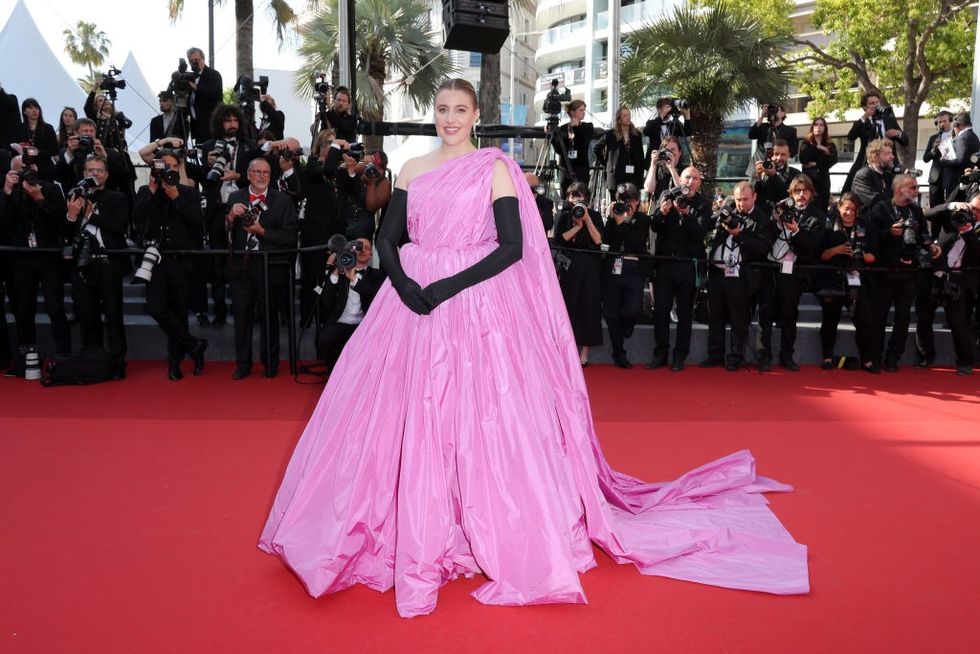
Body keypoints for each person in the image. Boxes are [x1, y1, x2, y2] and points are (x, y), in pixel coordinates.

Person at [258, 78, 808, 618]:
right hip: (410, 302)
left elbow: (512, 247)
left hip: (472, 301)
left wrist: (445, 288)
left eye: (460, 109)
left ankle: (480, 523)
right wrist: (402, 283)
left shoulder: (495, 168)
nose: (450, 117)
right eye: (443, 108)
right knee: (404, 413)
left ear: (475, 115)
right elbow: (386, 236)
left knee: (482, 416)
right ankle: (415, 522)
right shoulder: (411, 168)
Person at [133, 150, 207, 381]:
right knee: (156, 307)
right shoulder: (146, 191)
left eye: (172, 166)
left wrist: (176, 196)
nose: (168, 170)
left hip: (181, 262)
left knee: (180, 313)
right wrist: (153, 190)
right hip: (154, 261)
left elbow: (198, 223)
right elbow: (137, 219)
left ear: (178, 168)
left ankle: (174, 363)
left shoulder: (188, 193)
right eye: (163, 165)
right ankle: (194, 345)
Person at [224, 157, 298, 379]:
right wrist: (229, 217)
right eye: (256, 171)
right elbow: (222, 235)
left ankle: (270, 363)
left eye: (265, 172)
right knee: (242, 317)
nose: (261, 176)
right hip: (241, 267)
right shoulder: (234, 197)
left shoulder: (283, 201)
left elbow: (290, 237)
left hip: (269, 266)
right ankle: (243, 364)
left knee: (269, 317)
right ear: (248, 174)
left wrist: (262, 231)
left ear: (270, 175)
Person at [0, 155, 70, 375]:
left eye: (30, 168)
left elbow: (62, 220)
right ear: (12, 173)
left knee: (55, 308)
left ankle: (64, 358)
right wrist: (8, 194)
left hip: (49, 256)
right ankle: (24, 361)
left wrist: (40, 198)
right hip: (21, 259)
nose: (27, 173)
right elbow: (4, 226)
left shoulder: (51, 189)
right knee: (23, 310)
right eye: (22, 170)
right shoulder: (9, 193)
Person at [65, 155, 131, 380]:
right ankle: (92, 361)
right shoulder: (73, 197)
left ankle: (118, 362)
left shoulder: (118, 198)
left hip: (108, 262)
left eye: (100, 170)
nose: (95, 174)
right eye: (91, 170)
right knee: (86, 315)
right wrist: (72, 215)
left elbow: (120, 227)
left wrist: (91, 215)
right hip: (82, 264)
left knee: (113, 316)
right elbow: (64, 232)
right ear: (84, 173)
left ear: (107, 174)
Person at [869, 174, 940, 372]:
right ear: (900, 189)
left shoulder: (916, 210)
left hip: (909, 272)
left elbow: (923, 236)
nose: (916, 191)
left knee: (903, 317)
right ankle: (875, 357)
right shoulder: (881, 208)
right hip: (885, 272)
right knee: (879, 316)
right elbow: (871, 237)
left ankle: (894, 357)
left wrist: (930, 247)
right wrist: (889, 233)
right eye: (913, 187)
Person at [756, 175, 826, 371]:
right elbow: (765, 237)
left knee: (789, 315)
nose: (801, 195)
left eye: (805, 191)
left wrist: (796, 231)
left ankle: (787, 355)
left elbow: (812, 248)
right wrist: (777, 222)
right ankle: (765, 355)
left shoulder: (817, 216)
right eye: (797, 191)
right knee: (766, 314)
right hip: (770, 270)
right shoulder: (781, 211)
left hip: (794, 272)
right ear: (791, 193)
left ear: (811, 193)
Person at [702, 181, 773, 370]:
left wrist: (739, 234)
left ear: (755, 197)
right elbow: (707, 225)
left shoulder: (762, 219)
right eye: (738, 199)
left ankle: (736, 357)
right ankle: (715, 355)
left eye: (745, 199)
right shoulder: (727, 211)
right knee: (715, 314)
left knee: (738, 317)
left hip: (741, 274)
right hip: (718, 271)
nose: (741, 203)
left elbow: (762, 248)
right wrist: (720, 217)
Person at [647, 166, 711, 371]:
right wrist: (663, 212)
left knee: (685, 313)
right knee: (661, 311)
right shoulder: (668, 194)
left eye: (694, 178)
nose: (690, 182)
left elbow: (701, 234)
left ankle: (679, 356)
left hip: (688, 265)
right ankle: (660, 354)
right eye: (687, 178)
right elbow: (655, 226)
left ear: (699, 182)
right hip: (666, 264)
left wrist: (687, 214)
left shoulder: (703, 204)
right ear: (680, 180)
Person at [914, 194, 980, 375]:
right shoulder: (952, 218)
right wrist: (952, 205)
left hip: (959, 279)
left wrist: (968, 232)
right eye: (971, 208)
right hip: (934, 272)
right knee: (924, 317)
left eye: (977, 211)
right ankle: (927, 357)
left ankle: (965, 362)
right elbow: (928, 214)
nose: (972, 213)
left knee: (958, 323)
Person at [816, 194, 878, 372]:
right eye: (846, 209)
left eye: (853, 209)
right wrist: (837, 250)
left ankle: (866, 360)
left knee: (864, 320)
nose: (849, 212)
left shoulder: (867, 227)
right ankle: (827, 357)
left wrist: (859, 255)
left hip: (857, 278)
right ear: (839, 208)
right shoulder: (828, 227)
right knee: (830, 319)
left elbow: (874, 257)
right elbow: (821, 255)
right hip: (832, 278)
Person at [314, 238, 385, 370]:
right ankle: (335, 373)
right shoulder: (340, 272)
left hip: (363, 325)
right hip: (340, 322)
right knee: (323, 340)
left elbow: (373, 295)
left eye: (367, 248)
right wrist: (335, 271)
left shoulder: (378, 275)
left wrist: (353, 279)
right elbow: (326, 301)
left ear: (371, 255)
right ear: (351, 251)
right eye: (359, 247)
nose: (363, 250)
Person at [553, 181, 604, 366]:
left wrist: (588, 220)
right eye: (573, 196)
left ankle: (585, 352)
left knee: (590, 306)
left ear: (586, 199)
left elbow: (598, 240)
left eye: (580, 196)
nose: (576, 199)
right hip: (570, 264)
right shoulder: (563, 215)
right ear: (568, 198)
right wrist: (577, 226)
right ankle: (567, 349)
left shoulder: (595, 216)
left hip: (590, 264)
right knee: (569, 305)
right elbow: (561, 238)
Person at [600, 182, 650, 368]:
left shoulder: (643, 220)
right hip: (613, 267)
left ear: (636, 201)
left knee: (631, 309)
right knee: (611, 313)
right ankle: (619, 353)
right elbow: (606, 239)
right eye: (621, 201)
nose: (625, 205)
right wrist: (612, 218)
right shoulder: (613, 218)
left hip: (634, 269)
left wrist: (623, 222)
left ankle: (628, 326)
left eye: (628, 201)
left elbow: (637, 243)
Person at [843, 92, 907, 192]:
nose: (875, 105)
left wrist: (897, 133)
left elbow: (905, 142)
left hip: (888, 162)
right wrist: (865, 117)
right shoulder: (863, 121)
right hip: (866, 162)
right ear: (865, 107)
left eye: (877, 102)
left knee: (893, 191)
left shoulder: (889, 120)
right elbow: (851, 137)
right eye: (872, 103)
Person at [551, 99, 599, 197]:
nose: (583, 113)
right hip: (566, 168)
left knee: (581, 194)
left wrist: (575, 128)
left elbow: (583, 144)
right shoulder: (563, 129)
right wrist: (552, 134)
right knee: (566, 195)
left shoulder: (587, 127)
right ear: (572, 112)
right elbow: (559, 149)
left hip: (581, 168)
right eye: (581, 110)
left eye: (584, 110)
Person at [598, 106, 644, 202]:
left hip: (632, 174)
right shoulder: (611, 134)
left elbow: (640, 155)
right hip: (616, 174)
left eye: (629, 115)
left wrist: (641, 171)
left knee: (633, 201)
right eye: (625, 116)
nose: (628, 118)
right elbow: (596, 148)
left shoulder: (636, 135)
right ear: (619, 120)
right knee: (616, 202)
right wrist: (606, 163)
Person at [185, 47, 223, 144]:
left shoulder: (213, 74)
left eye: (196, 60)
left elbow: (215, 93)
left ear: (203, 59)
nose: (194, 63)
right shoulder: (190, 77)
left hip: (211, 126)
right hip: (197, 127)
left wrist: (196, 87)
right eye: (191, 61)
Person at [798, 117, 837, 210]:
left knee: (822, 207)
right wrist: (818, 148)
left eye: (821, 125)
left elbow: (833, 161)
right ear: (812, 127)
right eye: (816, 124)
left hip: (823, 180)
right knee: (809, 205)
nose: (818, 127)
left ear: (825, 128)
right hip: (809, 179)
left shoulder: (830, 144)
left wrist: (816, 163)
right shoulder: (806, 143)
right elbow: (803, 160)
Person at [642, 97, 692, 169]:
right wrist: (662, 115)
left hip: (672, 162)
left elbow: (687, 132)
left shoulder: (674, 124)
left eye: (670, 107)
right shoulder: (652, 123)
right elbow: (646, 131)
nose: (669, 109)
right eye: (666, 107)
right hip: (655, 163)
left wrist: (687, 115)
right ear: (658, 109)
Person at [15, 98, 58, 180]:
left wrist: (38, 152)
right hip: (25, 168)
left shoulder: (48, 128)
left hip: (45, 168)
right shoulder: (19, 128)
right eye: (30, 108)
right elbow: (15, 145)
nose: (34, 111)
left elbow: (54, 150)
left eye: (36, 108)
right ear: (24, 111)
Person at [922, 111, 954, 208]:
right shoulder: (933, 138)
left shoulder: (956, 136)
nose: (942, 124)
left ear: (950, 121)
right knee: (935, 208)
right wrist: (933, 149)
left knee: (951, 206)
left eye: (944, 121)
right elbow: (925, 159)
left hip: (951, 176)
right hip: (936, 178)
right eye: (939, 122)